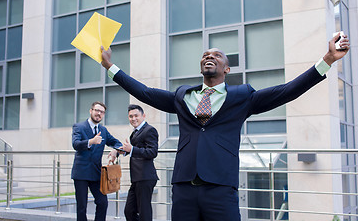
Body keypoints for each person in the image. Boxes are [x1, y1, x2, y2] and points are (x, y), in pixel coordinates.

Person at [100, 34, 350, 221]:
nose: (209, 56)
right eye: (205, 55)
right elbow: (144, 92)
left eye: (217, 55)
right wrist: (110, 67)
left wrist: (327, 59)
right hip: (184, 187)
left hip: (220, 189)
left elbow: (287, 91)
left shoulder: (242, 97)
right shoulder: (181, 96)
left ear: (227, 69)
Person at [71, 101, 123, 221]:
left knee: (102, 202)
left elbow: (117, 143)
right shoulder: (79, 127)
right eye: (97, 110)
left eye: (102, 112)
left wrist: (116, 151)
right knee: (81, 206)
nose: (99, 114)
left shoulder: (103, 130)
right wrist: (91, 141)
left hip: (96, 174)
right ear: (91, 111)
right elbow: (75, 144)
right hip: (81, 173)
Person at [119, 104, 159, 221]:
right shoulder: (135, 132)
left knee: (144, 212)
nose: (133, 119)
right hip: (137, 178)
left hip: (146, 177)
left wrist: (131, 149)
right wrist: (119, 152)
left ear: (143, 116)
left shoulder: (149, 130)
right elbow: (134, 149)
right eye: (131, 116)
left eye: (136, 115)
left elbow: (152, 152)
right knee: (129, 211)